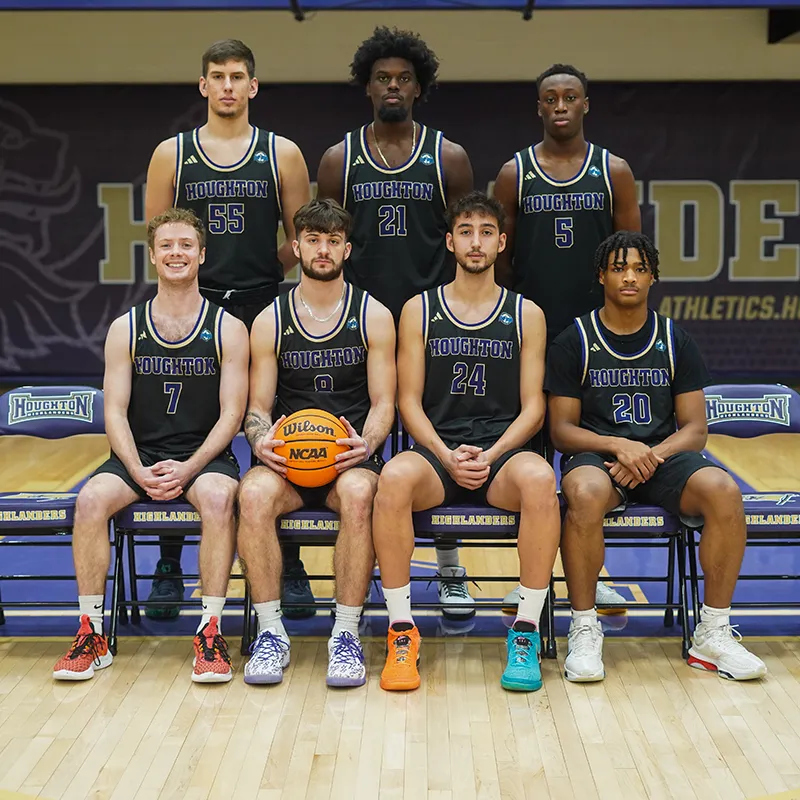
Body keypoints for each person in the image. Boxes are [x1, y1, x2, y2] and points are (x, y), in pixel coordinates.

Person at [547, 230, 767, 683]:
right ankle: (585, 628)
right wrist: (617, 446)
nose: (629, 276)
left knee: (724, 490)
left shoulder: (675, 339)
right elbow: (562, 431)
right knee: (583, 492)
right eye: (619, 267)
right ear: (601, 275)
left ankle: (713, 631)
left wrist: (650, 453)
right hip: (599, 458)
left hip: (662, 458)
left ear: (653, 278)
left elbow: (696, 430)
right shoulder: (576, 340)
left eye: (639, 269)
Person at [144, 39, 313, 618]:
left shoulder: (282, 152)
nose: (227, 86)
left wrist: (266, 274)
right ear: (203, 86)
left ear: (253, 87)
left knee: (277, 423)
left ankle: (288, 562)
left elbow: (303, 239)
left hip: (265, 304)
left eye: (238, 76)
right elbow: (160, 236)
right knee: (178, 425)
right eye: (217, 76)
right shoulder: (173, 153)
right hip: (197, 307)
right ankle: (169, 561)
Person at [372, 191, 561, 692]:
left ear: (501, 243)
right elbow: (407, 401)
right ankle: (401, 631)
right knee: (391, 478)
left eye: (484, 232)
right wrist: (444, 455)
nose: (475, 242)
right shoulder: (419, 310)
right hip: (439, 453)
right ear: (450, 241)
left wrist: (494, 454)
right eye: (465, 232)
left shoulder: (527, 314)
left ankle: (524, 633)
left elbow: (534, 407)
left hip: (502, 456)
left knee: (542, 480)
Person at [316, 26, 475, 617]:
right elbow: (325, 240)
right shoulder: (340, 158)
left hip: (436, 326)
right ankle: (338, 573)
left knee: (439, 448)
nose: (392, 85)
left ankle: (452, 566)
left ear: (419, 87)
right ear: (367, 85)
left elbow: (470, 240)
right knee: (347, 452)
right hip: (359, 329)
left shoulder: (448, 156)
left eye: (404, 77)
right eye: (382, 77)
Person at [52, 208, 249, 683]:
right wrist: (137, 469)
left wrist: (190, 468)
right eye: (166, 245)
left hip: (204, 458)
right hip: (138, 455)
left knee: (221, 498)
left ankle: (210, 632)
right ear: (153, 256)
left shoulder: (228, 329)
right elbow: (114, 410)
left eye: (186, 245)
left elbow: (231, 415)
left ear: (202, 254)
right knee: (91, 499)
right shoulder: (126, 328)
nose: (176, 253)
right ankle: (91, 632)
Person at [493, 63, 641, 613]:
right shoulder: (515, 173)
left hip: (591, 336)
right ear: (539, 107)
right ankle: (528, 574)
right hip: (532, 331)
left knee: (588, 455)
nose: (560, 104)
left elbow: (633, 253)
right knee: (529, 455)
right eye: (550, 97)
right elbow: (501, 259)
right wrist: (515, 319)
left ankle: (591, 573)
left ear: (585, 104)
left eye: (570, 96)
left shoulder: (613, 170)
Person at [237, 199, 396, 687]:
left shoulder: (372, 314)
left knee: (359, 493)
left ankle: (345, 634)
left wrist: (365, 445)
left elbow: (384, 402)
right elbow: (258, 407)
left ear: (346, 249)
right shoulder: (270, 319)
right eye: (312, 239)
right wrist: (260, 440)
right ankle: (270, 633)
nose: (322, 250)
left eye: (332, 241)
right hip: (288, 463)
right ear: (296, 246)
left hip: (347, 458)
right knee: (253, 493)